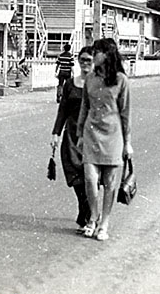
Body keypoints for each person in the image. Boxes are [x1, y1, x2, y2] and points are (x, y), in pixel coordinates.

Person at [77, 38, 132, 241]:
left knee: (110, 182)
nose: (93, 56)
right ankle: (93, 217)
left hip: (113, 136)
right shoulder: (90, 79)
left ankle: (104, 223)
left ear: (107, 55)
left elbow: (126, 113)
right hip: (91, 133)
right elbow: (84, 107)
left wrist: (128, 142)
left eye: (97, 52)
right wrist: (80, 135)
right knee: (90, 180)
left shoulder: (121, 80)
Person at [51, 46, 94, 233]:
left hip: (92, 138)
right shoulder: (70, 84)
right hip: (71, 136)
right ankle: (86, 212)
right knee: (75, 177)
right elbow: (63, 110)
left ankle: (87, 217)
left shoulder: (99, 84)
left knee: (90, 178)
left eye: (89, 60)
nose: (85, 63)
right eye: (82, 59)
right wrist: (56, 133)